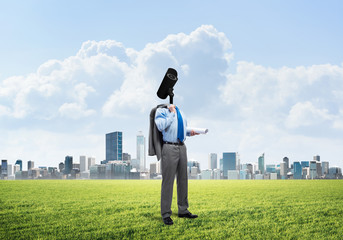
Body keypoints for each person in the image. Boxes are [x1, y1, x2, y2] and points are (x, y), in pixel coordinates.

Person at [155, 104, 199, 225]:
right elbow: (160, 126)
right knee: (168, 181)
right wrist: (172, 113)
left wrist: (190, 133)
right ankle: (166, 214)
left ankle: (183, 210)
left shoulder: (182, 112)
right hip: (169, 147)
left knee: (183, 180)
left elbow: (182, 129)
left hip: (182, 147)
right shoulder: (162, 111)